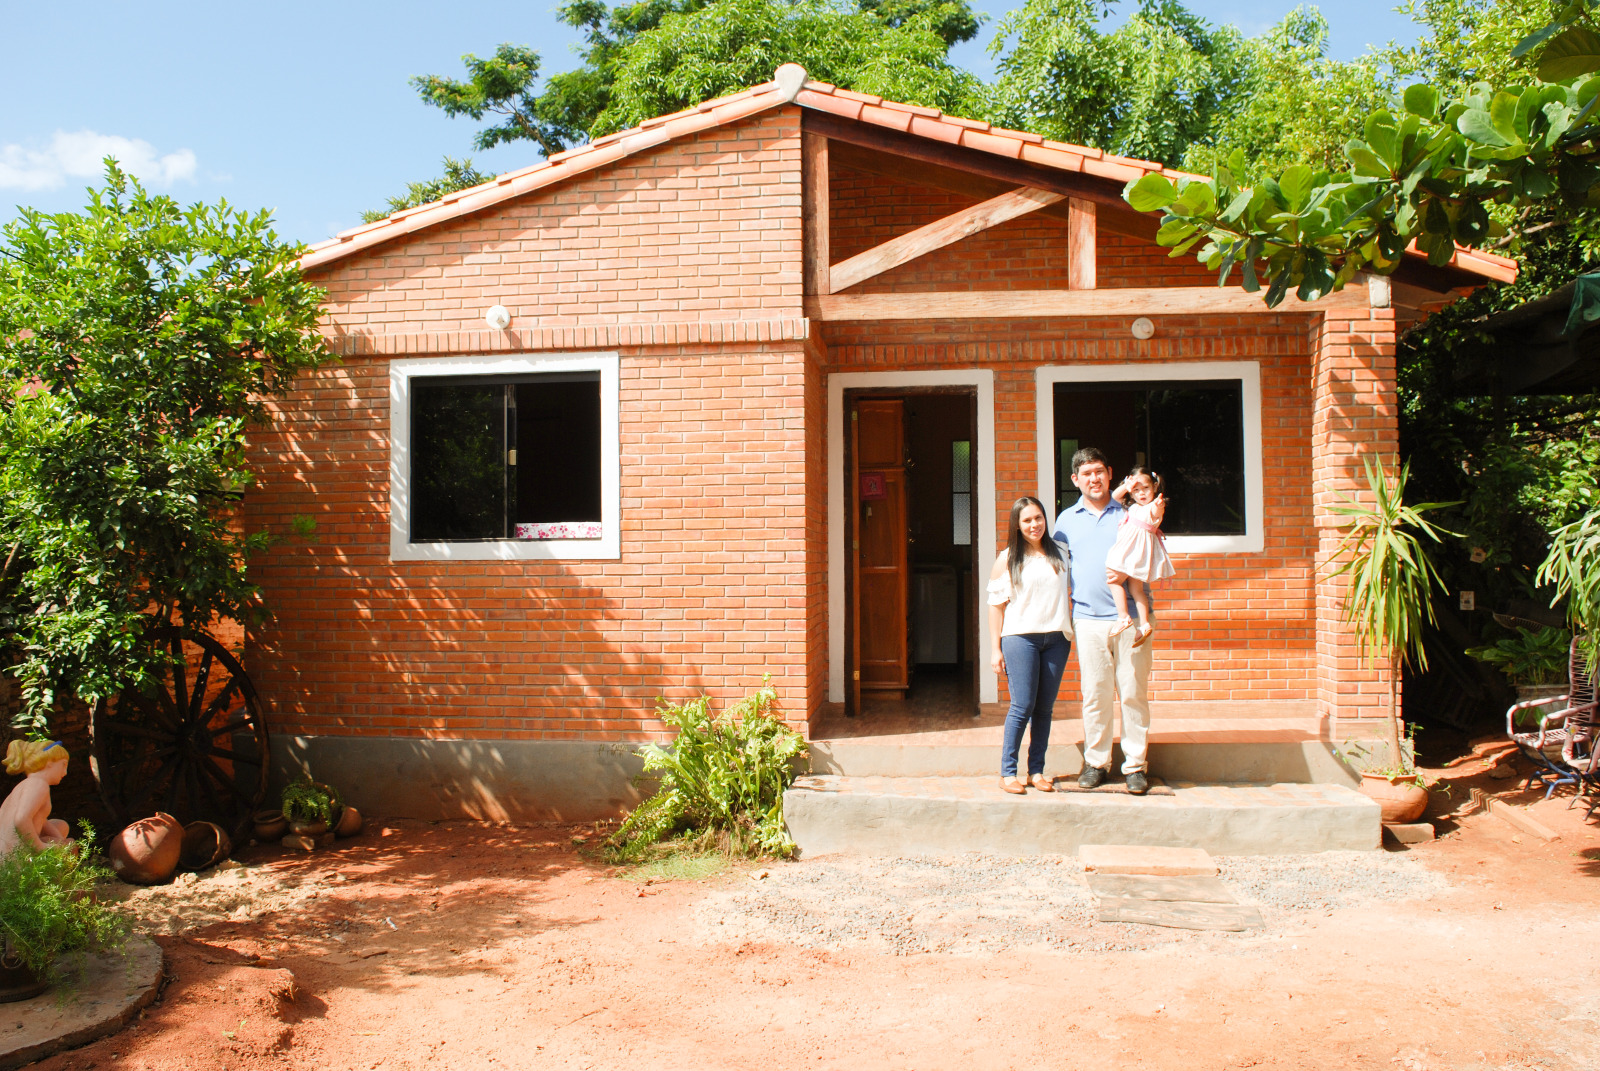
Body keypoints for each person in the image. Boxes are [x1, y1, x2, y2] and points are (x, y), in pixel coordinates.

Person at [1053, 447, 1155, 795]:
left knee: (1132, 694)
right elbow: (1058, 569)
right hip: (1088, 620)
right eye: (1086, 473)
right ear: (1075, 480)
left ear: (1110, 473)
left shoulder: (1129, 515)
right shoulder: (1065, 521)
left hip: (1130, 621)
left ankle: (1135, 766)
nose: (1093, 478)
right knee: (1094, 695)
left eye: (1099, 471)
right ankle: (1096, 762)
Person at [987, 496, 1073, 795]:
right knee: (1022, 705)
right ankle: (1008, 772)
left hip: (1057, 640)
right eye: (1027, 520)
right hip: (1020, 639)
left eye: (1038, 518)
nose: (1034, 524)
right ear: (1017, 524)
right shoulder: (1008, 557)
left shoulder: (1061, 551)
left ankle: (1036, 770)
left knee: (1044, 709)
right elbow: (995, 606)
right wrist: (995, 649)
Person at [1104, 466, 1175, 645]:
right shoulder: (1134, 506)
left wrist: (1158, 506)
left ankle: (1123, 616)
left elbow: (1155, 513)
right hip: (1137, 556)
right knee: (1137, 590)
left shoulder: (1153, 506)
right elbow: (1113, 497)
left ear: (1155, 488)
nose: (1141, 493)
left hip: (1131, 553)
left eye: (1146, 488)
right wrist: (1127, 486)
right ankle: (1143, 624)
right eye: (1136, 490)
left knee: (1113, 580)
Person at [0, 739, 72, 855]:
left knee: (61, 826)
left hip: (7, 851)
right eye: (63, 765)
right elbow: (21, 819)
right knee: (68, 845)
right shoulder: (38, 784)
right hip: (14, 856)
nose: (65, 772)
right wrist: (39, 847)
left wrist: (61, 841)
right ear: (49, 762)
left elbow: (41, 821)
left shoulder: (25, 785)